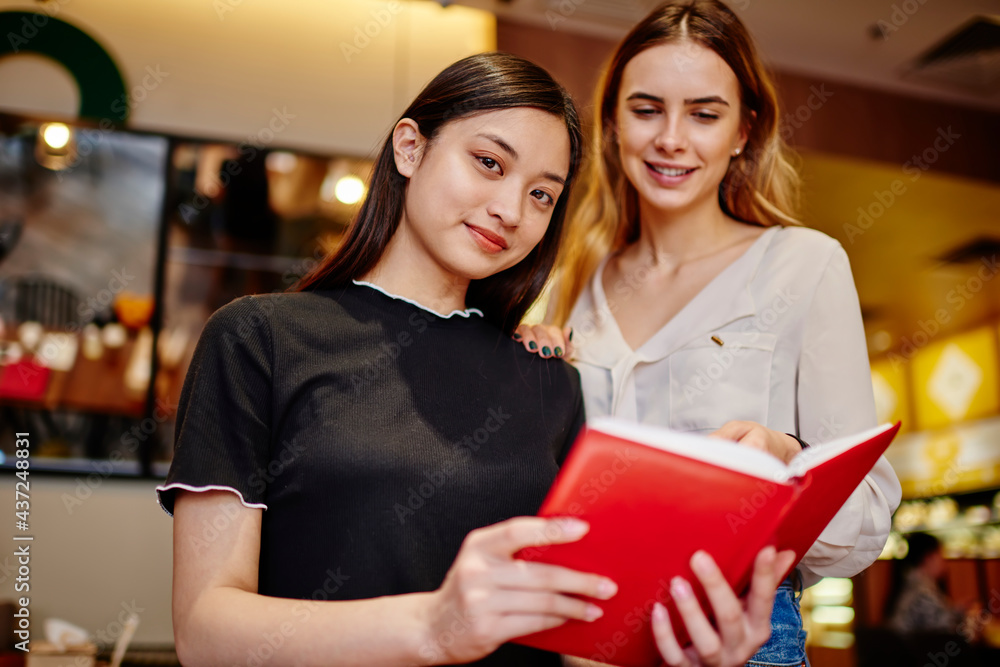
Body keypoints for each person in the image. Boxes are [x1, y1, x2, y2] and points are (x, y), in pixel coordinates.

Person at [156, 52, 795, 667]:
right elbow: (206, 630)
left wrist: (672, 647)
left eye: (543, 195)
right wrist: (433, 628)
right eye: (489, 162)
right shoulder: (259, 338)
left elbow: (571, 638)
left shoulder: (549, 380)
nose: (510, 211)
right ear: (410, 148)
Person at [514, 1, 903, 664]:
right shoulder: (567, 280)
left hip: (739, 632)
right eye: (645, 109)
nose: (671, 138)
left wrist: (784, 455)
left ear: (745, 130)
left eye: (703, 113)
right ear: (612, 122)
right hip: (580, 630)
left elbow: (867, 516)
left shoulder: (803, 264)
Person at [886, 533, 970, 635]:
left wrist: (957, 610)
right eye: (941, 555)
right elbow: (946, 630)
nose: (945, 562)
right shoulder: (923, 591)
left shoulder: (911, 583)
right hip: (913, 650)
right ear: (928, 558)